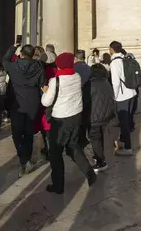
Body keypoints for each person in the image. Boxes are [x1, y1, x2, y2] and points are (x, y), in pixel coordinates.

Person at [41, 52, 96, 194]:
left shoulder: (55, 81)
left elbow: (46, 102)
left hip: (61, 120)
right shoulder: (76, 76)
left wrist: (45, 91)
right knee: (73, 147)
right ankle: (90, 173)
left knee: (56, 153)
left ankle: (58, 185)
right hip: (76, 117)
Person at [3, 43, 45, 177]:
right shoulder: (39, 66)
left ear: (21, 54)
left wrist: (13, 46)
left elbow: (5, 60)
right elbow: (42, 83)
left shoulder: (14, 66)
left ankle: (23, 158)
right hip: (32, 102)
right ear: (33, 54)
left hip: (18, 104)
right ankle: (26, 158)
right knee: (29, 132)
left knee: (17, 132)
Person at [109, 41, 137, 155]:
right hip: (132, 92)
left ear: (111, 49)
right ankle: (123, 141)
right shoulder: (125, 59)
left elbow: (115, 82)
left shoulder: (114, 63)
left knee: (124, 122)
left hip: (122, 96)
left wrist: (114, 97)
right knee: (128, 119)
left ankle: (128, 148)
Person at [88, 64, 116, 172]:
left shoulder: (91, 84)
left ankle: (101, 162)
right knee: (100, 137)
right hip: (105, 116)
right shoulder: (106, 82)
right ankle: (97, 156)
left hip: (94, 117)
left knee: (95, 138)